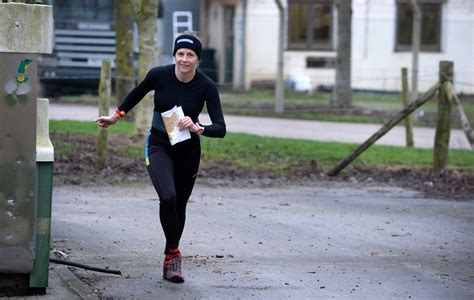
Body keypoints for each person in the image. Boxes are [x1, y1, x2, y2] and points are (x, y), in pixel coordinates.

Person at [96, 32, 226, 283]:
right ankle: (173, 257)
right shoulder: (159, 74)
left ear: (198, 59)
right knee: (168, 197)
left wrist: (200, 128)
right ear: (174, 55)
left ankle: (170, 254)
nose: (184, 59)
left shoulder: (206, 86)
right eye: (180, 54)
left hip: (188, 148)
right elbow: (137, 93)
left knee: (179, 204)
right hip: (158, 144)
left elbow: (221, 127)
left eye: (190, 55)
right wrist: (116, 116)